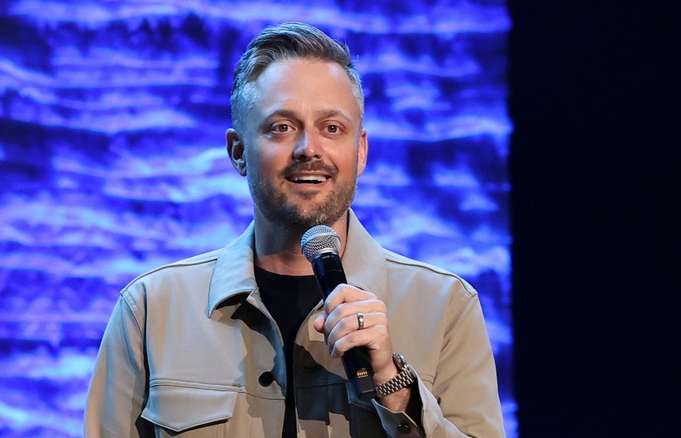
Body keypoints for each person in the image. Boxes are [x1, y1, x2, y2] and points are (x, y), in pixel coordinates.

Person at [84, 22, 505, 437]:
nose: (309, 148)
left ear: (360, 152)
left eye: (332, 128)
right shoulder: (152, 309)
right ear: (238, 152)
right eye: (281, 127)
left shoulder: (446, 307)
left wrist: (393, 388)